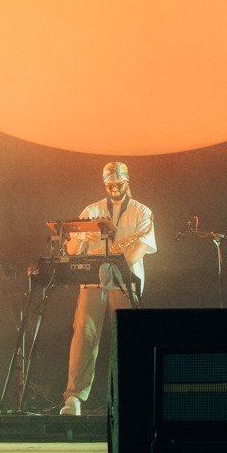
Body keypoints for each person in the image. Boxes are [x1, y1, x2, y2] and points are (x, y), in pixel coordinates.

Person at [60, 161, 156, 417]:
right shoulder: (91, 210)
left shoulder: (142, 211)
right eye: (110, 184)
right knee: (84, 336)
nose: (114, 188)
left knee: (128, 337)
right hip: (92, 281)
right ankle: (73, 398)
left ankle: (132, 396)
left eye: (119, 183)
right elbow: (71, 250)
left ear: (127, 181)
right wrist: (82, 236)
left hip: (124, 281)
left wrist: (117, 264)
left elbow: (140, 249)